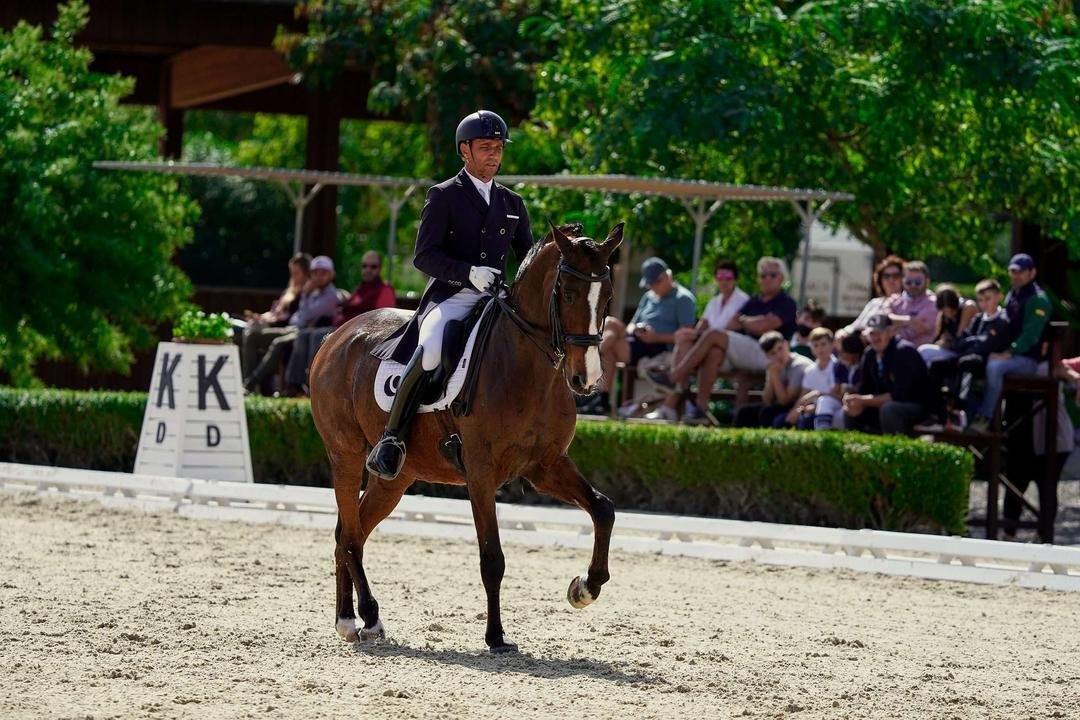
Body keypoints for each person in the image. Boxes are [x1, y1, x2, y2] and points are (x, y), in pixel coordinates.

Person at [365, 110, 533, 480]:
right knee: (432, 351)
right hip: (451, 298)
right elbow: (424, 255)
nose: (493, 155)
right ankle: (392, 439)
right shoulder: (443, 195)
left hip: (497, 300)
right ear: (465, 150)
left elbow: (528, 259)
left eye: (498, 148)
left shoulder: (512, 203)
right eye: (485, 148)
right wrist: (468, 272)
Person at [650, 256, 797, 409]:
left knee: (714, 334)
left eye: (772, 275)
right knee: (713, 352)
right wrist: (751, 321)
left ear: (782, 278)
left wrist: (746, 321)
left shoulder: (786, 302)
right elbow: (734, 323)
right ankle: (700, 409)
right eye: (763, 275)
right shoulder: (754, 301)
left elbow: (763, 327)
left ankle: (674, 378)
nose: (767, 279)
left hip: (771, 355)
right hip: (747, 352)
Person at [633, 258, 747, 424]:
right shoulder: (715, 302)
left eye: (728, 276)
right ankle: (675, 408)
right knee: (684, 338)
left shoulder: (742, 300)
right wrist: (688, 334)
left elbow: (726, 331)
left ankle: (674, 382)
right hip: (709, 349)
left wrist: (695, 335)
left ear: (735, 278)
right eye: (720, 276)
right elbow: (701, 327)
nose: (723, 280)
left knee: (712, 348)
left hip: (730, 351)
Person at [283, 250, 397, 396]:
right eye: (365, 266)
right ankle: (295, 385)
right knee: (304, 335)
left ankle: (314, 384)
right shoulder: (360, 289)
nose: (368, 269)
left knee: (316, 336)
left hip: (361, 333)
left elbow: (384, 319)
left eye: (373, 266)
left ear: (380, 269)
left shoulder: (384, 290)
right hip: (342, 328)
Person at [599, 256, 696, 421]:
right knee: (609, 325)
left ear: (666, 277)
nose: (651, 287)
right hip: (636, 343)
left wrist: (655, 337)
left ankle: (595, 389)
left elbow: (686, 336)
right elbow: (630, 326)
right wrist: (637, 330)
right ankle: (602, 400)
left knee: (610, 341)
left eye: (654, 283)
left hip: (660, 348)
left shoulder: (683, 298)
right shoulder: (648, 297)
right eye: (649, 283)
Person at [969, 254, 1052, 433]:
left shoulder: (1039, 300)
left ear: (1032, 273)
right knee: (971, 361)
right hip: (1008, 355)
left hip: (1028, 360)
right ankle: (964, 413)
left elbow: (1031, 336)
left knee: (994, 367)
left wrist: (1009, 352)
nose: (1016, 275)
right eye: (1013, 271)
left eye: (1021, 272)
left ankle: (985, 418)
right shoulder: (1012, 295)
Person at [242, 255, 339, 394]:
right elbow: (301, 314)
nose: (318, 276)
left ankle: (249, 384)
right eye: (315, 273)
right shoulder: (314, 292)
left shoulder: (330, 296)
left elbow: (305, 315)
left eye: (323, 272)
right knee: (252, 335)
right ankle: (248, 384)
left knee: (278, 343)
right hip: (292, 329)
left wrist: (305, 293)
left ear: (331, 274)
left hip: (303, 332)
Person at [842, 313, 929, 434]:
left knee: (888, 409)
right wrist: (854, 400)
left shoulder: (905, 352)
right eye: (872, 333)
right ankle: (856, 449)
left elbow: (898, 395)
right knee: (851, 408)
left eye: (879, 332)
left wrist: (863, 400)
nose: (875, 337)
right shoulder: (869, 354)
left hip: (914, 406)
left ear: (891, 332)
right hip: (883, 404)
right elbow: (864, 389)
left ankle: (892, 449)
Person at [240, 252, 311, 381]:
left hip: (287, 327)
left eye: (296, 273)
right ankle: (249, 379)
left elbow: (294, 317)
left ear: (306, 273)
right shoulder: (289, 291)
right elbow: (275, 311)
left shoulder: (306, 293)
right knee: (248, 331)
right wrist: (262, 316)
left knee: (252, 333)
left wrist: (271, 319)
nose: (293, 276)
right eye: (292, 272)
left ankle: (250, 381)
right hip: (277, 325)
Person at [732, 330, 812, 428]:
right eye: (773, 353)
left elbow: (785, 401)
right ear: (767, 356)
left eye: (780, 348)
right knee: (744, 412)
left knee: (767, 413)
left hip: (801, 407)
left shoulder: (799, 366)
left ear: (786, 344)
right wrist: (771, 376)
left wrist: (775, 376)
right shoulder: (773, 366)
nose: (779, 355)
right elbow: (767, 400)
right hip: (782, 405)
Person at [836, 255, 904, 344]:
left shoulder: (906, 303)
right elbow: (856, 325)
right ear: (880, 280)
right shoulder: (874, 303)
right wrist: (844, 332)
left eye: (896, 276)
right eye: (886, 276)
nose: (891, 280)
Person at [788, 327, 846, 430]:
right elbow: (803, 396)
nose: (820, 348)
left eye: (823, 344)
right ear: (812, 348)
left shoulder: (840, 367)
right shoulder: (810, 370)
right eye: (816, 345)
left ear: (832, 345)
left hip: (835, 410)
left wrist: (818, 395)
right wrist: (795, 411)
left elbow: (841, 397)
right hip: (813, 410)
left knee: (823, 403)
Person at [917, 284, 977, 365]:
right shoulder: (942, 315)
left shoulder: (968, 307)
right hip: (952, 351)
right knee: (923, 350)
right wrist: (943, 342)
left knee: (925, 352)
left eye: (951, 311)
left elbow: (961, 338)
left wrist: (948, 343)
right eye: (945, 311)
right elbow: (938, 339)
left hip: (967, 352)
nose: (949, 315)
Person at [886, 260, 937, 347]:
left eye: (918, 282)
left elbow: (917, 330)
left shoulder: (933, 303)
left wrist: (893, 325)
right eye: (908, 282)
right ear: (903, 281)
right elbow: (883, 319)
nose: (913, 285)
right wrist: (910, 320)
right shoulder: (893, 300)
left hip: (919, 354)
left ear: (927, 281)